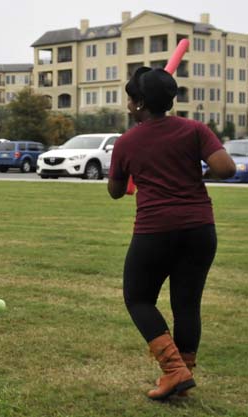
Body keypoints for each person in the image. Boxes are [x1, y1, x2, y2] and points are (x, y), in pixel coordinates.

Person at [107, 67, 236, 400]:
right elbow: (226, 168)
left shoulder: (127, 142)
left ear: (138, 104)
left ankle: (174, 371)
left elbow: (116, 191)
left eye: (129, 100)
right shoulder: (194, 130)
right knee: (187, 305)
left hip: (156, 230)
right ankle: (184, 376)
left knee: (137, 298)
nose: (127, 106)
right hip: (200, 228)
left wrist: (132, 165)